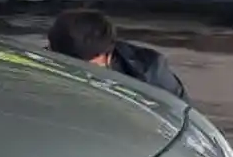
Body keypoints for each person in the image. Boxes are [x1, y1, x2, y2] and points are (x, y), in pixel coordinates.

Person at [47, 8, 188, 100]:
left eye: (87, 66)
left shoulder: (148, 71)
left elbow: (183, 114)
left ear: (108, 55)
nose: (79, 73)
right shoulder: (41, 64)